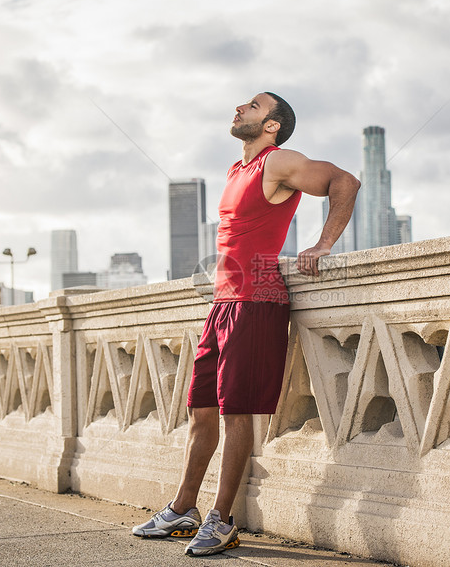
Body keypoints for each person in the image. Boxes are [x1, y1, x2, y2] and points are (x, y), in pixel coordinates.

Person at [132, 92, 360, 557]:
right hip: (223, 303)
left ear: (273, 125)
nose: (240, 108)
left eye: (253, 106)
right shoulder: (238, 171)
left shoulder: (278, 163)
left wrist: (322, 244)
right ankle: (182, 509)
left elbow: (345, 181)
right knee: (200, 411)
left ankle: (222, 520)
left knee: (237, 414)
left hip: (257, 301)